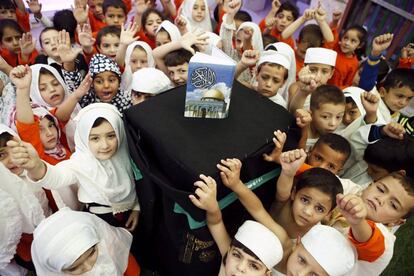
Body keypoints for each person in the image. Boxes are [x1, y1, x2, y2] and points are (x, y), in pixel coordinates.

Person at [9, 103, 141, 231]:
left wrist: (136, 207)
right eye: (95, 138)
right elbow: (57, 176)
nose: (105, 145)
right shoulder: (80, 162)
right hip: (101, 221)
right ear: (84, 138)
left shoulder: (127, 154)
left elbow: (137, 183)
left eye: (111, 136)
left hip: (133, 215)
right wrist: (36, 167)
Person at [215, 158, 356, 275]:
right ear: (294, 194)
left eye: (319, 208)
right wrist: (236, 184)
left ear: (328, 214)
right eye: (305, 200)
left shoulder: (314, 246)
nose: (307, 212)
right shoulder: (284, 226)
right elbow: (262, 207)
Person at [189, 174, 286, 276]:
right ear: (229, 252)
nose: (240, 268)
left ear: (266, 274)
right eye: (236, 255)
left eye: (254, 266)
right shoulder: (226, 262)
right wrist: (212, 206)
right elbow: (216, 224)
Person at [31, 207, 140, 275]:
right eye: (74, 268)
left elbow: (130, 268)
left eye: (92, 253)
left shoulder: (111, 247)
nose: (88, 267)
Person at [288, 47, 337, 112]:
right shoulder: (295, 87)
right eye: (313, 70)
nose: (318, 76)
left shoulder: (333, 94)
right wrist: (303, 92)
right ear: (304, 68)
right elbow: (292, 113)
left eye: (324, 72)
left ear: (331, 73)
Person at [305, 84, 346, 149]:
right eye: (325, 117)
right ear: (310, 113)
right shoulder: (299, 132)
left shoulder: (339, 134)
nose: (333, 123)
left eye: (338, 117)